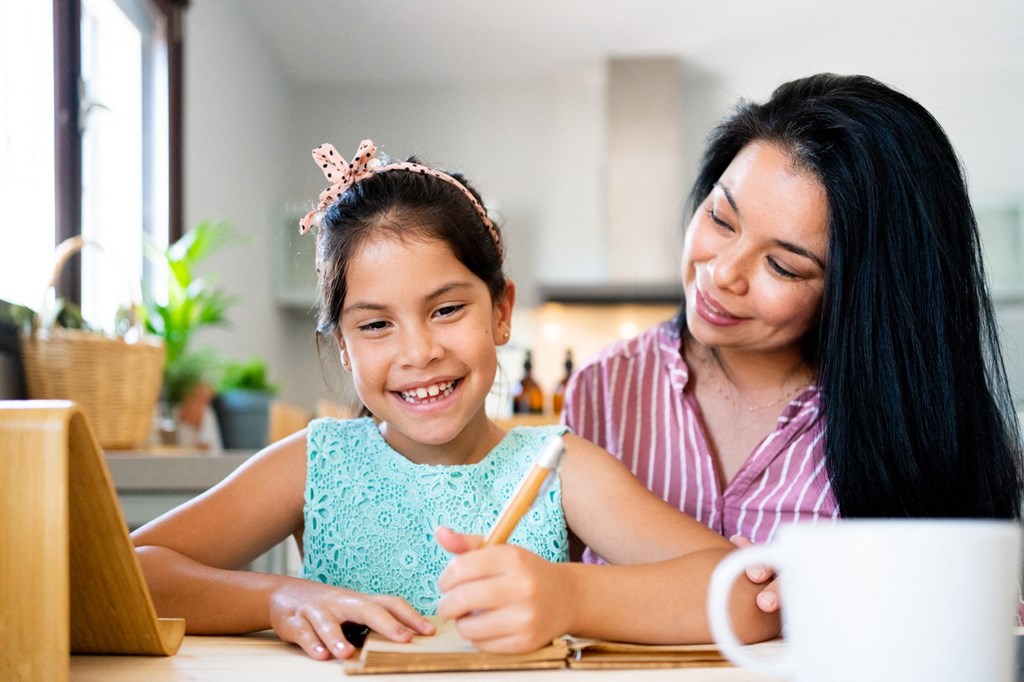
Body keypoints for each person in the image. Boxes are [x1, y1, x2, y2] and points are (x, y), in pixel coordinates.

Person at [132, 139, 777, 661]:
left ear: (501, 312)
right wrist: (278, 599)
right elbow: (128, 573)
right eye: (376, 324)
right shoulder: (314, 464)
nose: (418, 353)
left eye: (445, 309)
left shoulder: (558, 465)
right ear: (344, 348)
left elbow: (747, 596)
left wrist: (568, 595)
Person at [562, 73, 1024, 603]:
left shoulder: (915, 424)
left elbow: (977, 623)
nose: (724, 274)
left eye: (782, 266)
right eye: (720, 217)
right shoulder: (604, 388)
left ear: (862, 293)